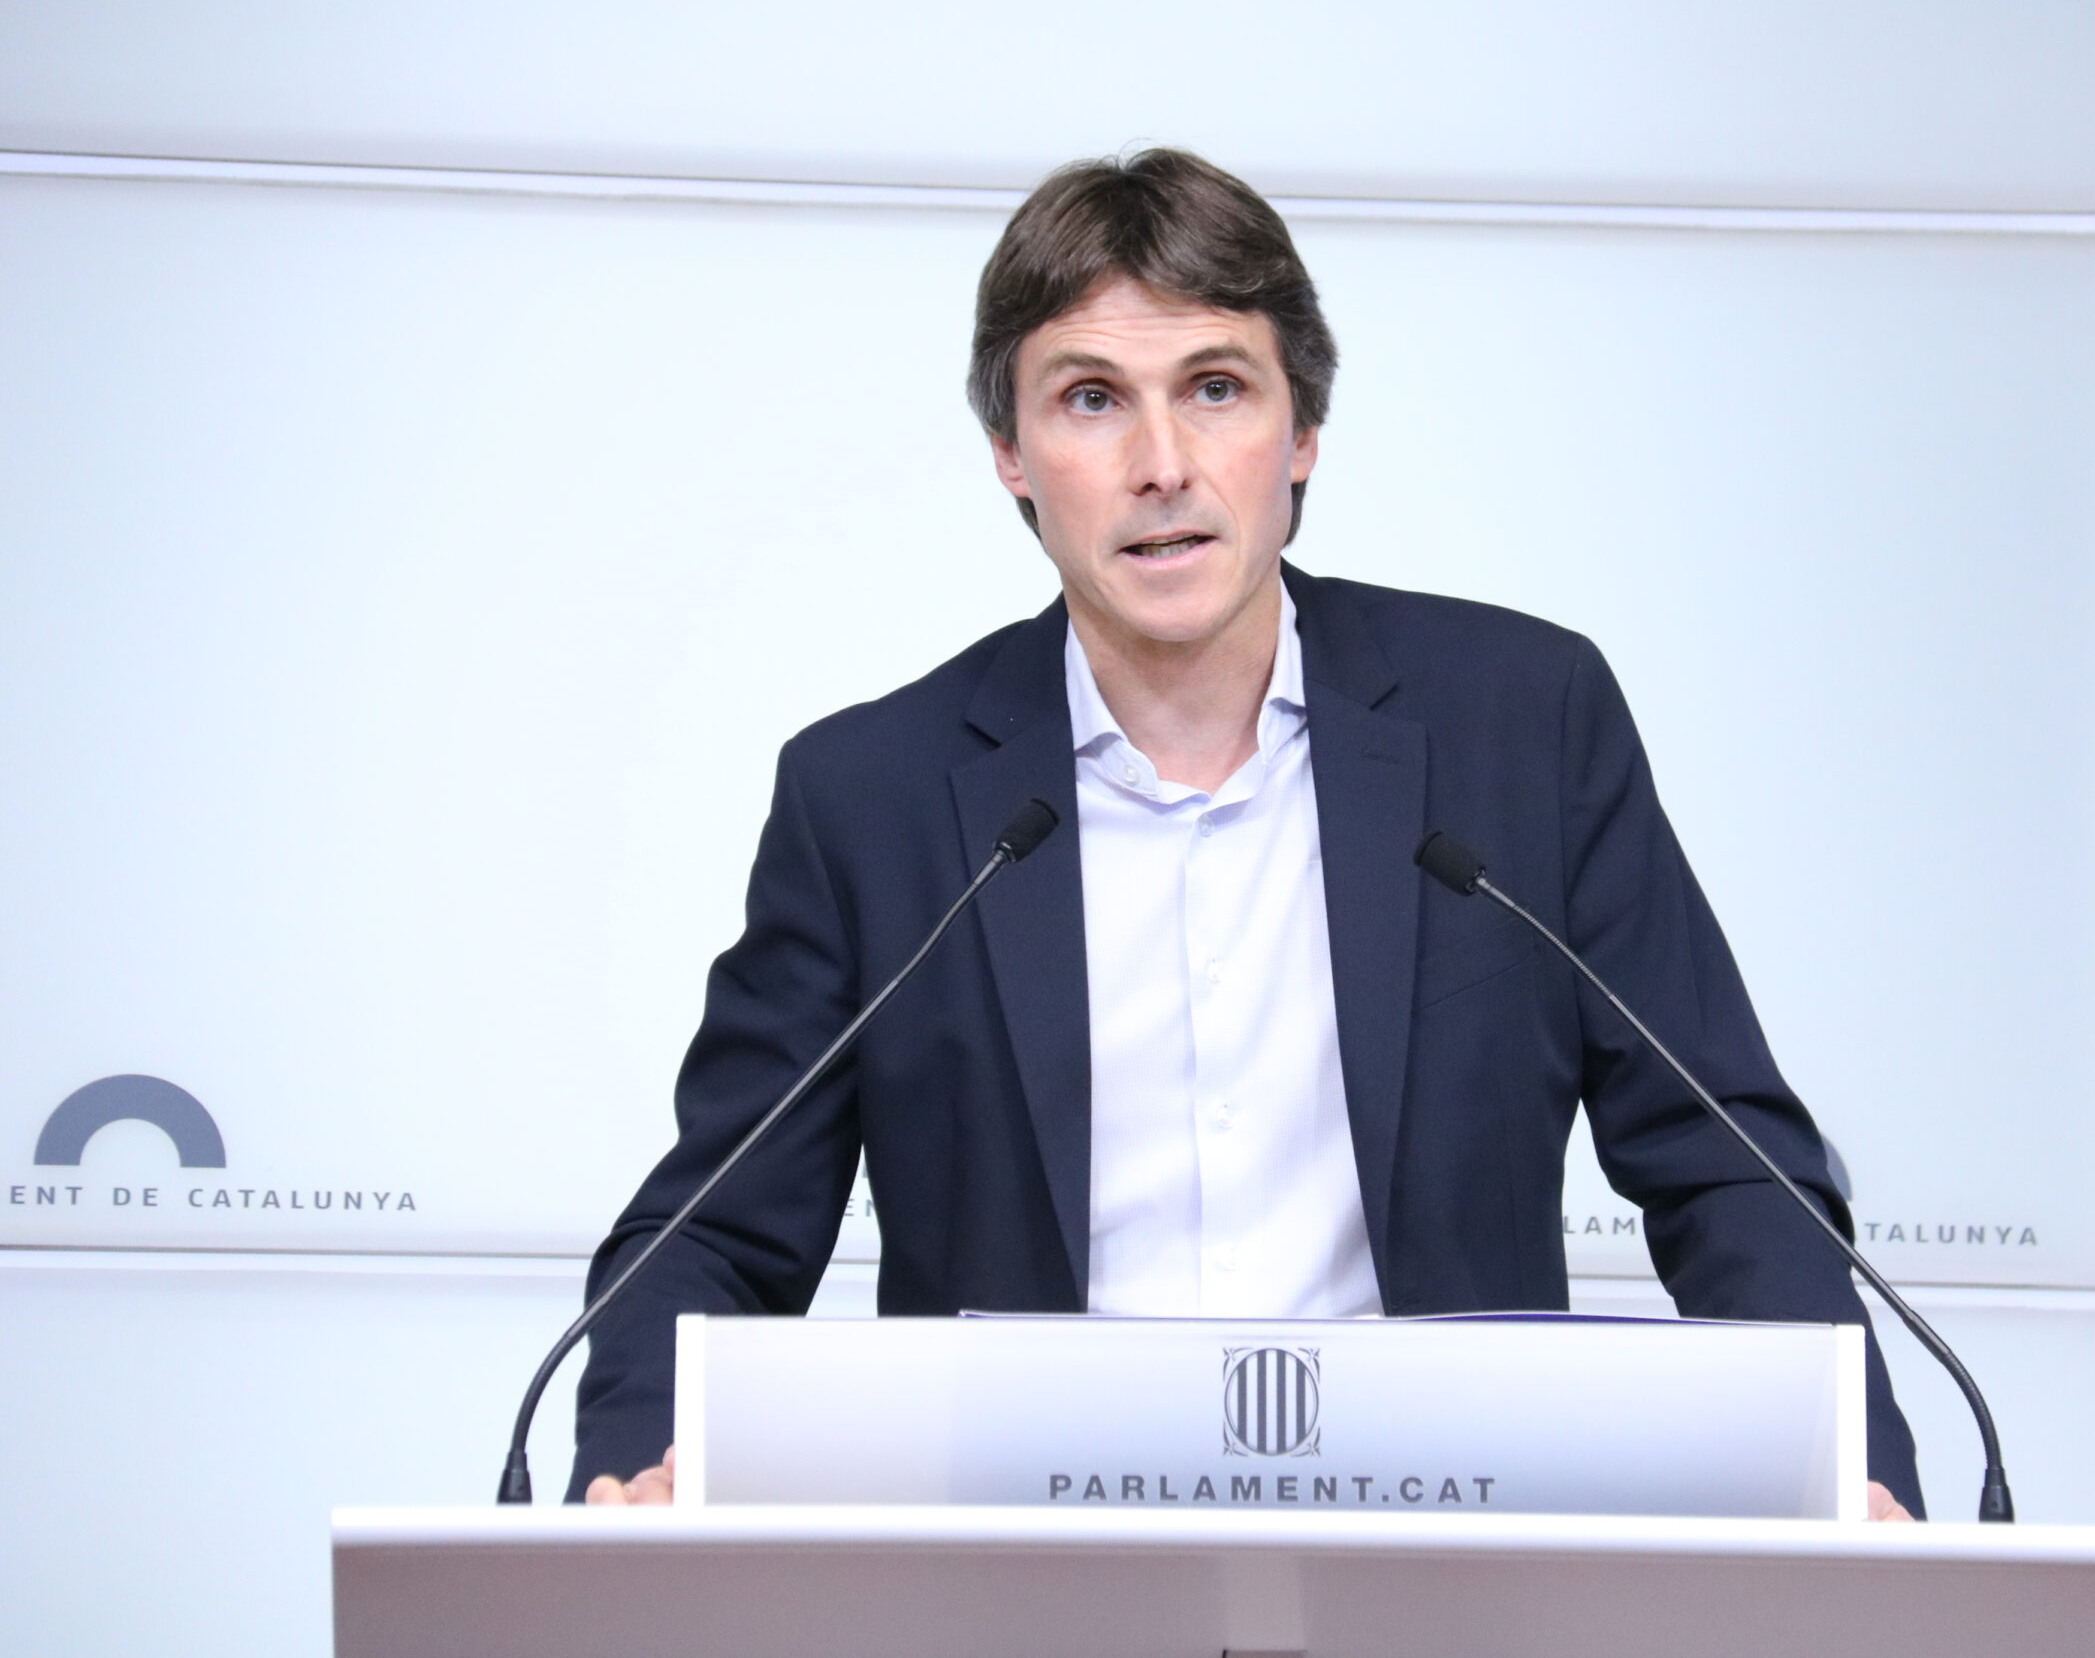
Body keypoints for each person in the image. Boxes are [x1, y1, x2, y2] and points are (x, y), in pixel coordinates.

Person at [575, 148, 1922, 1519]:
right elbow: (713, 1230)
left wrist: (1849, 1473)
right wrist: (633, 1463)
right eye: (1092, 399)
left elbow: (1727, 1168)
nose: (1162, 467)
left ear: (1302, 432)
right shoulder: (875, 797)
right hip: (1023, 1572)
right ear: (1011, 455)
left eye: (1216, 388)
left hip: (1446, 1557)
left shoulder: (1522, 725)